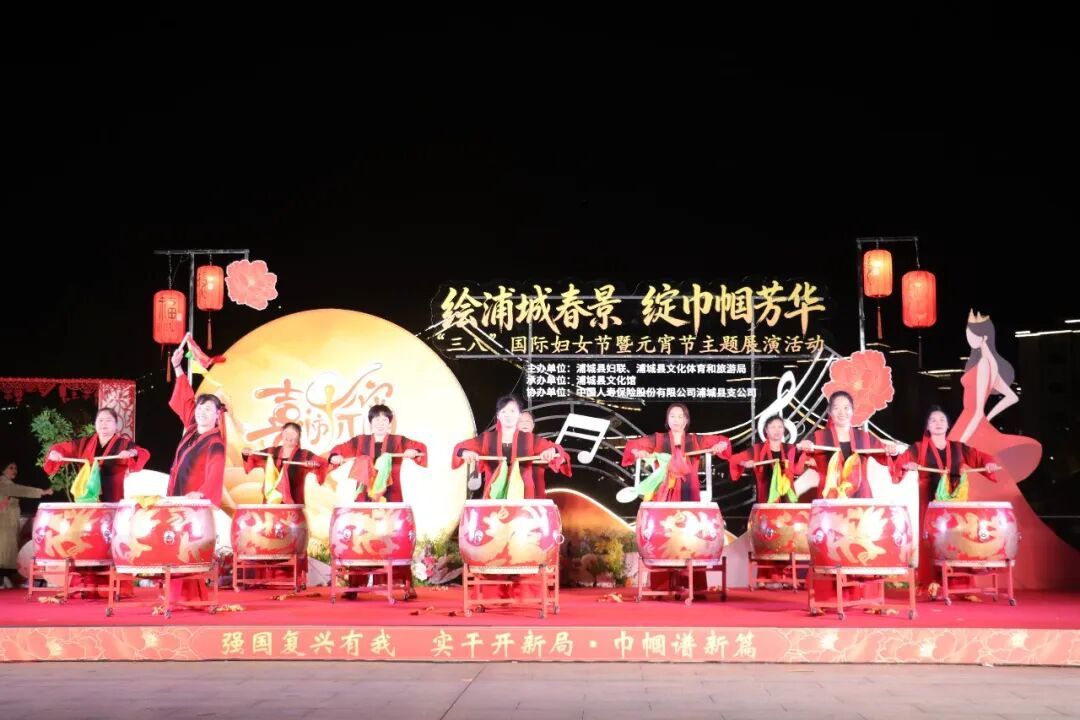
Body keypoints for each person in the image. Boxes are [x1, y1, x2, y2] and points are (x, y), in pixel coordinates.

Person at [452, 395, 570, 499]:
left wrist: (551, 451)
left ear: (519, 415)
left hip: (524, 498)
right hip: (493, 497)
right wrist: (465, 453)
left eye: (513, 411)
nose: (508, 415)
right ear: (498, 416)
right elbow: (459, 448)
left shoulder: (530, 439)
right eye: (504, 411)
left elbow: (559, 452)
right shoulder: (487, 438)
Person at [44, 408, 149, 502]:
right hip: (87, 496)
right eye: (100, 420)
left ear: (116, 425)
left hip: (115, 496)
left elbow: (140, 452)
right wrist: (55, 453)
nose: (104, 424)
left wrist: (131, 453)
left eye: (108, 420)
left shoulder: (124, 444)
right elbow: (62, 448)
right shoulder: (84, 443)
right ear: (95, 424)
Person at [1, 462, 52, 588]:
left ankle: (5, 582)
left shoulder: (8, 484)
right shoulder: (3, 482)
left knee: (7, 555)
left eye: (16, 468)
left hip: (8, 524)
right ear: (3, 470)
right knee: (4, 555)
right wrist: (42, 492)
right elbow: (21, 490)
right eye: (11, 468)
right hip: (3, 525)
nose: (14, 470)